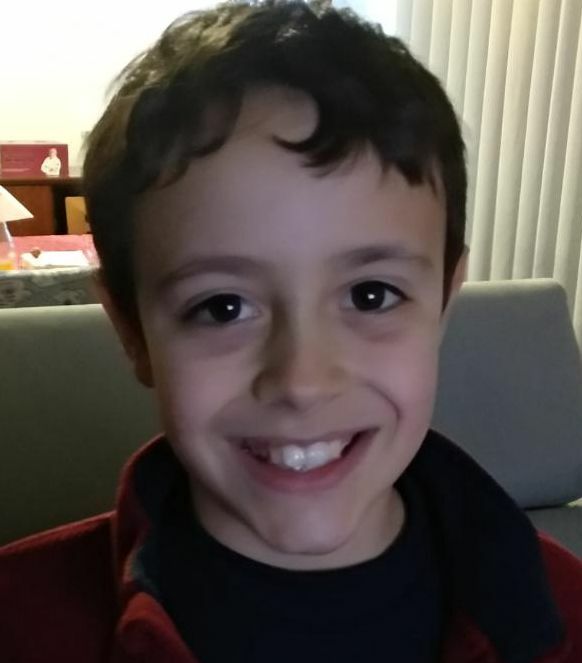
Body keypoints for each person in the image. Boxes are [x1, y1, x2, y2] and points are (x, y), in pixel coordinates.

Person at [1, 2, 581, 661]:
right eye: (222, 307)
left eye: (371, 295)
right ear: (131, 330)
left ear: (443, 303)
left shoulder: (566, 605)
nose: (303, 381)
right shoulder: (20, 623)